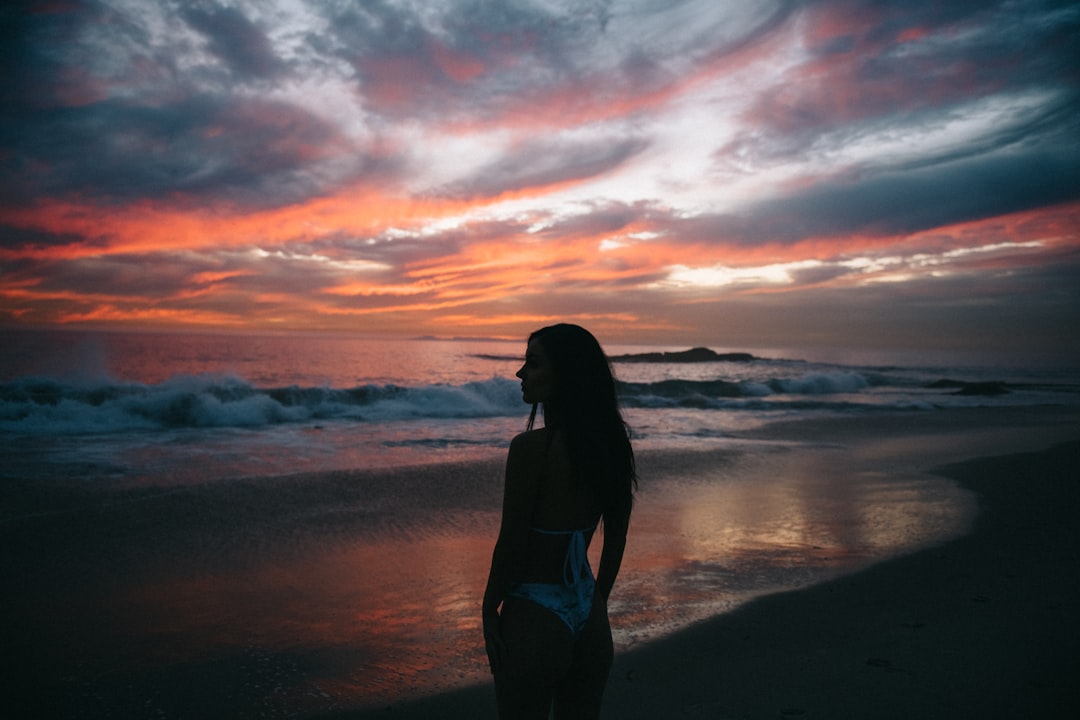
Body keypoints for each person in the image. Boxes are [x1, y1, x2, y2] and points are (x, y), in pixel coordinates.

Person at [483, 323, 637, 719]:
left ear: (564, 374)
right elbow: (616, 538)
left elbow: (512, 543)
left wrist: (488, 609)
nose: (521, 373)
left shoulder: (531, 449)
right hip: (589, 614)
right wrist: (597, 603)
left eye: (532, 363)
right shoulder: (611, 445)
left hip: (534, 610)